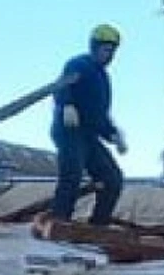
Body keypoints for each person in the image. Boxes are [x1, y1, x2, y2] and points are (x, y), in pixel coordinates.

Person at [49, 24, 128, 226]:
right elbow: (61, 85)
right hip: (70, 132)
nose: (109, 55)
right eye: (106, 50)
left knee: (113, 179)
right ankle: (60, 220)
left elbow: (99, 115)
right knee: (72, 174)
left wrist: (112, 134)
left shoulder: (103, 78)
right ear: (94, 47)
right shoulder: (78, 64)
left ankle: (98, 225)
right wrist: (66, 104)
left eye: (112, 51)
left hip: (89, 135)